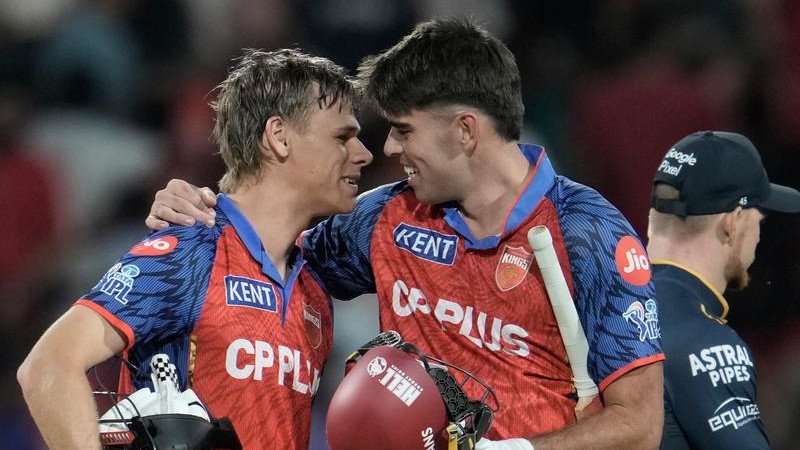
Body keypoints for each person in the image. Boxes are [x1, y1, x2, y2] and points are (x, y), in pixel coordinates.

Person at [145, 18, 665, 450]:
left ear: (465, 130)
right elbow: (263, 250)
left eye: (405, 130)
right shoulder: (388, 219)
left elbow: (640, 426)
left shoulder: (588, 234)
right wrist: (203, 208)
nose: (388, 149)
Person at [17, 48, 373, 450]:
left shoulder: (313, 285)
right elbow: (48, 365)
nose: (363, 154)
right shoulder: (188, 250)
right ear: (279, 136)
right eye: (342, 137)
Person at [647, 131, 800, 449]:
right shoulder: (705, 344)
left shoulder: (603, 302)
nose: (758, 238)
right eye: (759, 220)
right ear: (734, 221)